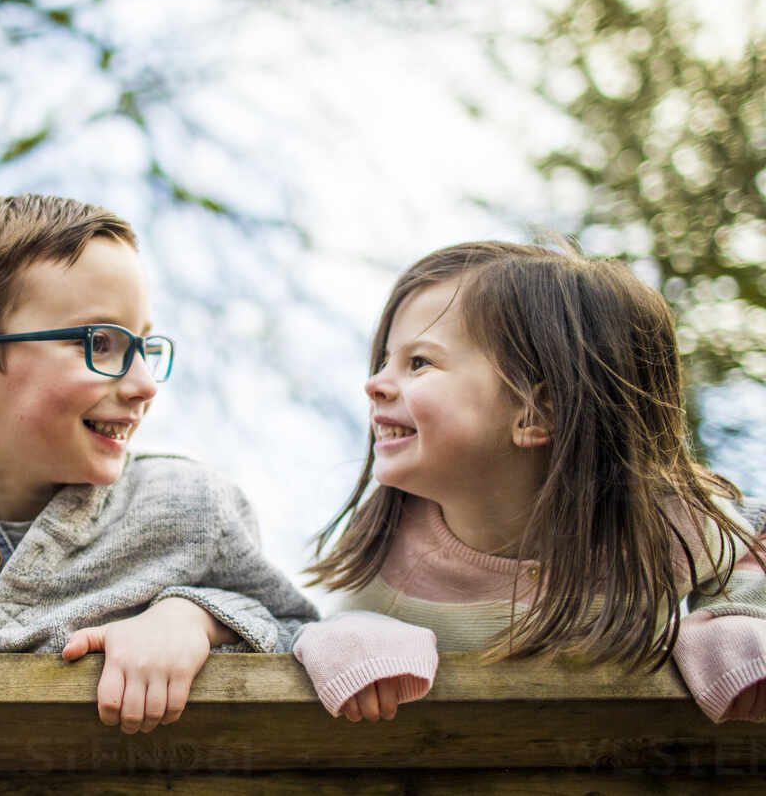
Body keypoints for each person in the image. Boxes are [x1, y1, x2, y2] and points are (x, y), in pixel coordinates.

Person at [0, 193, 317, 732]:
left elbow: (301, 640)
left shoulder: (194, 507)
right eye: (100, 343)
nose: (145, 384)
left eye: (144, 346)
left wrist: (195, 619)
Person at [294, 240, 766, 724]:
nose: (374, 383)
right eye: (384, 361)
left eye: (419, 363)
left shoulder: (659, 521)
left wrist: (737, 622)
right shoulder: (389, 551)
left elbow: (753, 537)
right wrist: (360, 634)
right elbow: (325, 629)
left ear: (538, 412)